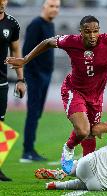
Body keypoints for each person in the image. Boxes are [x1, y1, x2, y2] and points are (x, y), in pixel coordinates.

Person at [5, 15, 107, 174]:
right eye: (88, 32)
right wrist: (25, 60)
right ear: (81, 32)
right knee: (82, 130)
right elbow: (47, 42)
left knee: (91, 133)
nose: (92, 35)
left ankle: (87, 172)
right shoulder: (71, 41)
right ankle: (68, 148)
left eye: (95, 31)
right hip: (74, 90)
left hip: (96, 96)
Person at [19, 0, 60, 163]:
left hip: (46, 74)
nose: (55, 9)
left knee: (37, 113)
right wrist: (32, 74)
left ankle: (30, 149)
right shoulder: (36, 24)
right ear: (44, 7)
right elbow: (26, 50)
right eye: (51, 6)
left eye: (57, 7)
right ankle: (27, 151)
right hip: (36, 74)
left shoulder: (50, 25)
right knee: (33, 112)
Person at [0, 0, 26, 181]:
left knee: (1, 127)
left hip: (1, 82)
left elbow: (16, 52)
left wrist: (20, 79)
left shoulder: (12, 24)